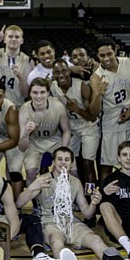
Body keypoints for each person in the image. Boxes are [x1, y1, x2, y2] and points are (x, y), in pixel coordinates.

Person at [17, 147, 130, 260]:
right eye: (60, 159)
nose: (63, 163)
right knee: (56, 241)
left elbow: (87, 213)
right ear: (54, 162)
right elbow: (19, 203)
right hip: (50, 221)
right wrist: (33, 186)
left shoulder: (75, 182)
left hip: (71, 222)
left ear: (71, 163)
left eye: (67, 160)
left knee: (96, 239)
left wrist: (93, 203)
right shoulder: (44, 180)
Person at [90, 38, 130, 185]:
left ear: (115, 50)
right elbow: (94, 111)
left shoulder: (129, 63)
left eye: (109, 54)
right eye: (102, 56)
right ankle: (106, 199)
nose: (106, 58)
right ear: (97, 57)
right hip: (111, 122)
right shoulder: (97, 77)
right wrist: (99, 93)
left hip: (129, 118)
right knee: (107, 165)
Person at [50, 59, 100, 189]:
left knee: (88, 163)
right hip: (72, 128)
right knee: (68, 164)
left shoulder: (82, 86)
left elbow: (92, 116)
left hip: (88, 126)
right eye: (57, 72)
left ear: (69, 72)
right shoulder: (53, 86)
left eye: (64, 71)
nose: (61, 75)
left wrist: (77, 109)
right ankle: (72, 195)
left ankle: (89, 197)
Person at [18, 78, 71, 188]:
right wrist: (26, 133)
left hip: (55, 140)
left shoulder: (57, 106)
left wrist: (63, 151)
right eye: (35, 92)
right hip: (35, 142)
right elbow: (22, 147)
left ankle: (67, 200)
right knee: (31, 173)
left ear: (48, 93)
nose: (38, 96)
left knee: (72, 170)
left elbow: (66, 131)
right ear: (30, 94)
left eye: (42, 92)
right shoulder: (24, 110)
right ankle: (36, 202)